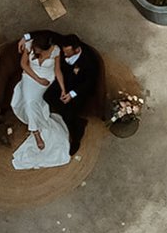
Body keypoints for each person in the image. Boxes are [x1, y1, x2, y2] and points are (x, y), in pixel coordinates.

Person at [10, 31, 71, 169]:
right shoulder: (30, 45)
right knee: (29, 102)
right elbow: (23, 64)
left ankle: (36, 131)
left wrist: (63, 89)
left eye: (38, 49)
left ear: (45, 48)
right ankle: (36, 132)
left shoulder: (55, 50)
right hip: (30, 76)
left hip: (46, 79)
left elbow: (57, 71)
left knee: (31, 102)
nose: (35, 50)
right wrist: (38, 79)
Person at [44, 33, 102, 153]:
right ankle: (75, 120)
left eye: (67, 52)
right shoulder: (64, 44)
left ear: (76, 50)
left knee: (69, 113)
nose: (64, 54)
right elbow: (48, 34)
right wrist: (26, 37)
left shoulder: (89, 61)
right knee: (47, 96)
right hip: (64, 82)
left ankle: (76, 136)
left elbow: (89, 83)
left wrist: (71, 94)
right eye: (63, 51)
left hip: (79, 89)